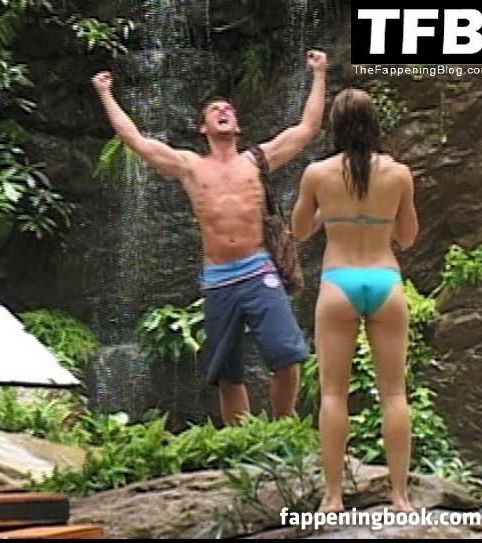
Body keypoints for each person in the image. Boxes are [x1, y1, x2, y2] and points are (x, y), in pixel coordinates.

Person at [92, 50, 328, 425]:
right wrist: (105, 93)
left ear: (238, 126)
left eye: (228, 109)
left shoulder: (257, 160)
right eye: (214, 109)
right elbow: (136, 140)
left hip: (259, 269)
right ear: (203, 128)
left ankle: (284, 425)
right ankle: (241, 437)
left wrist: (320, 74)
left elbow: (307, 128)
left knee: (287, 356)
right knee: (226, 372)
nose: (223, 110)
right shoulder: (190, 166)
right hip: (218, 279)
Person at [291, 88, 419, 513]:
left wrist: (330, 212)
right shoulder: (399, 173)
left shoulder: (317, 173)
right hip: (384, 279)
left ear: (335, 127)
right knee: (394, 394)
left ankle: (332, 497)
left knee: (333, 394)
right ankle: (400, 497)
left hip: (338, 282)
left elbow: (299, 230)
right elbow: (408, 237)